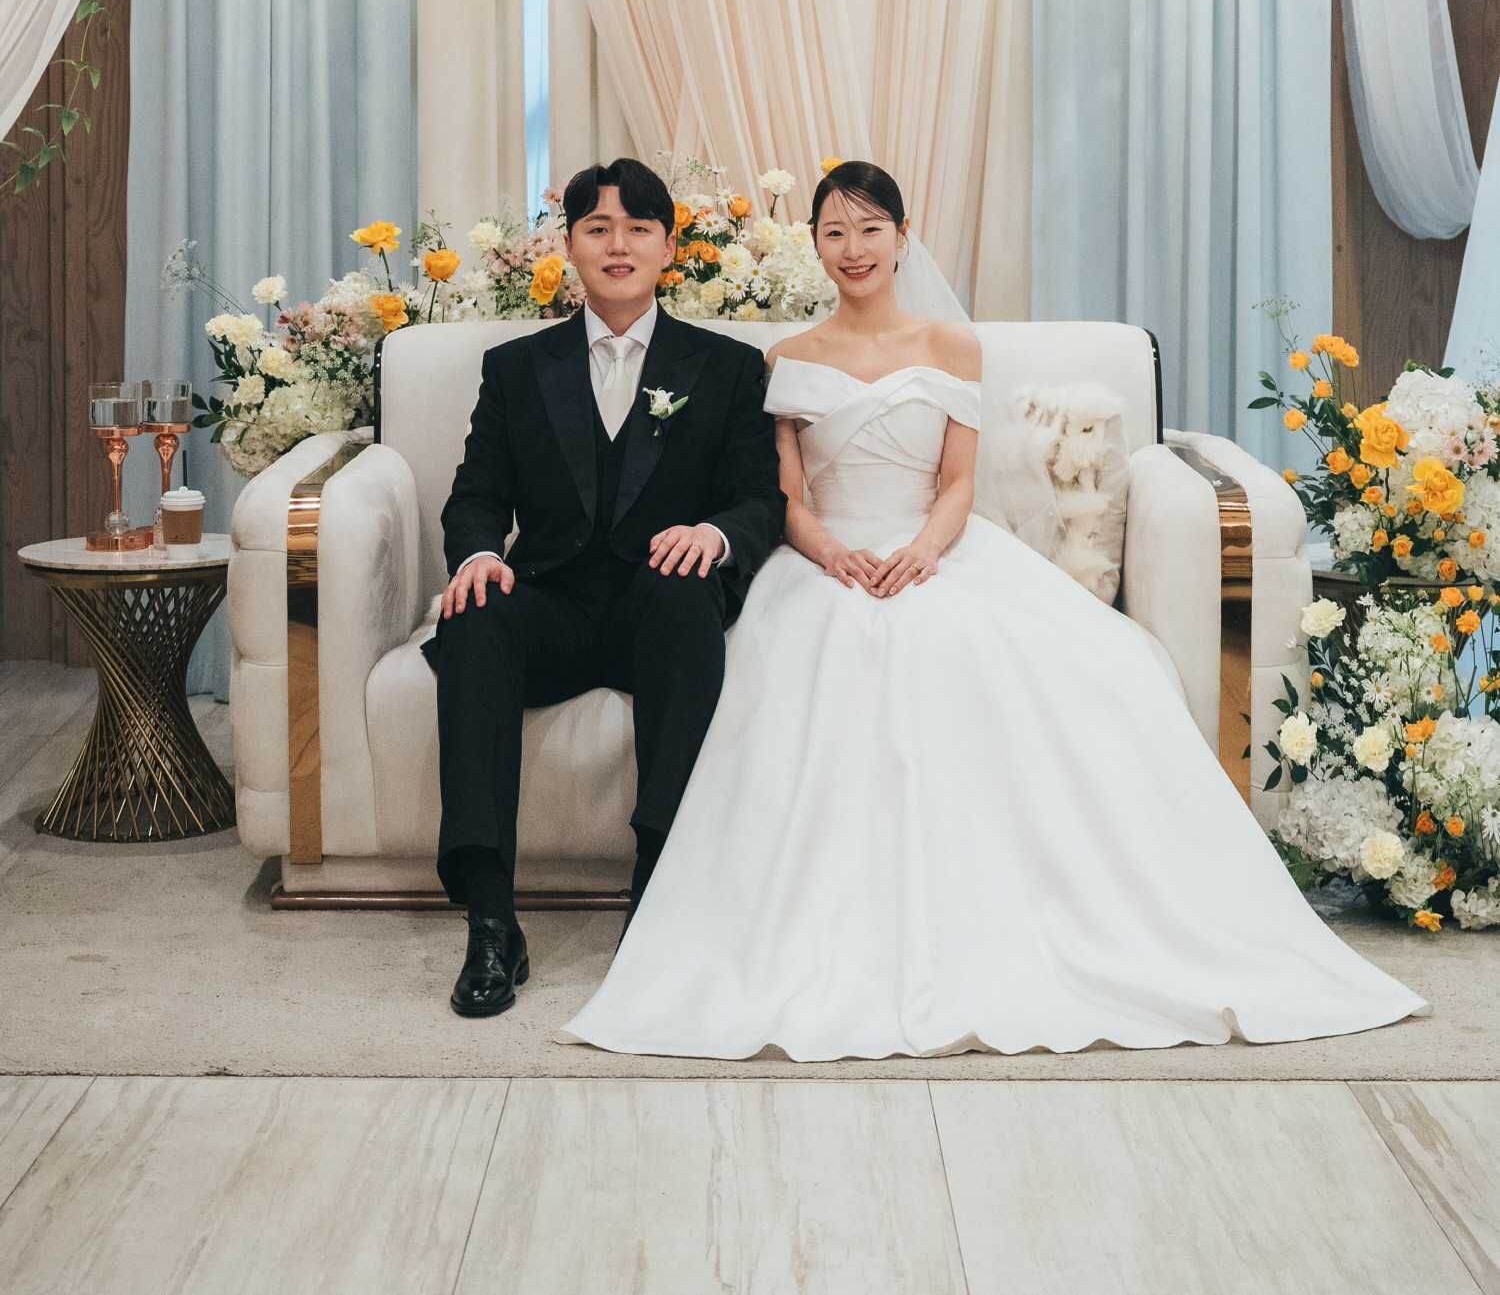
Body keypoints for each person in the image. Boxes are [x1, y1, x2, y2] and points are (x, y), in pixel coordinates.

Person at [563, 160, 1425, 1059]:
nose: (853, 249)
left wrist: (922, 552)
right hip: (824, 560)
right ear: (813, 243)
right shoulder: (783, 362)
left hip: (934, 548)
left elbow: (956, 483)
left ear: (903, 236)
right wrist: (833, 554)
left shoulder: (953, 347)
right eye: (834, 232)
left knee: (1052, 666)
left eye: (870, 229)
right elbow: (780, 495)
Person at [424, 157, 785, 1019]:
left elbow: (759, 499)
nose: (618, 244)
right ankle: (490, 920)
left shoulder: (729, 368)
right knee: (472, 612)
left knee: (684, 591)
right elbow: (477, 497)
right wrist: (477, 557)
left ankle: (657, 893)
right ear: (571, 246)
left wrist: (714, 535)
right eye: (598, 227)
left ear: (669, 247)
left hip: (658, 610)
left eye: (638, 228)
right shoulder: (516, 368)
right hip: (550, 602)